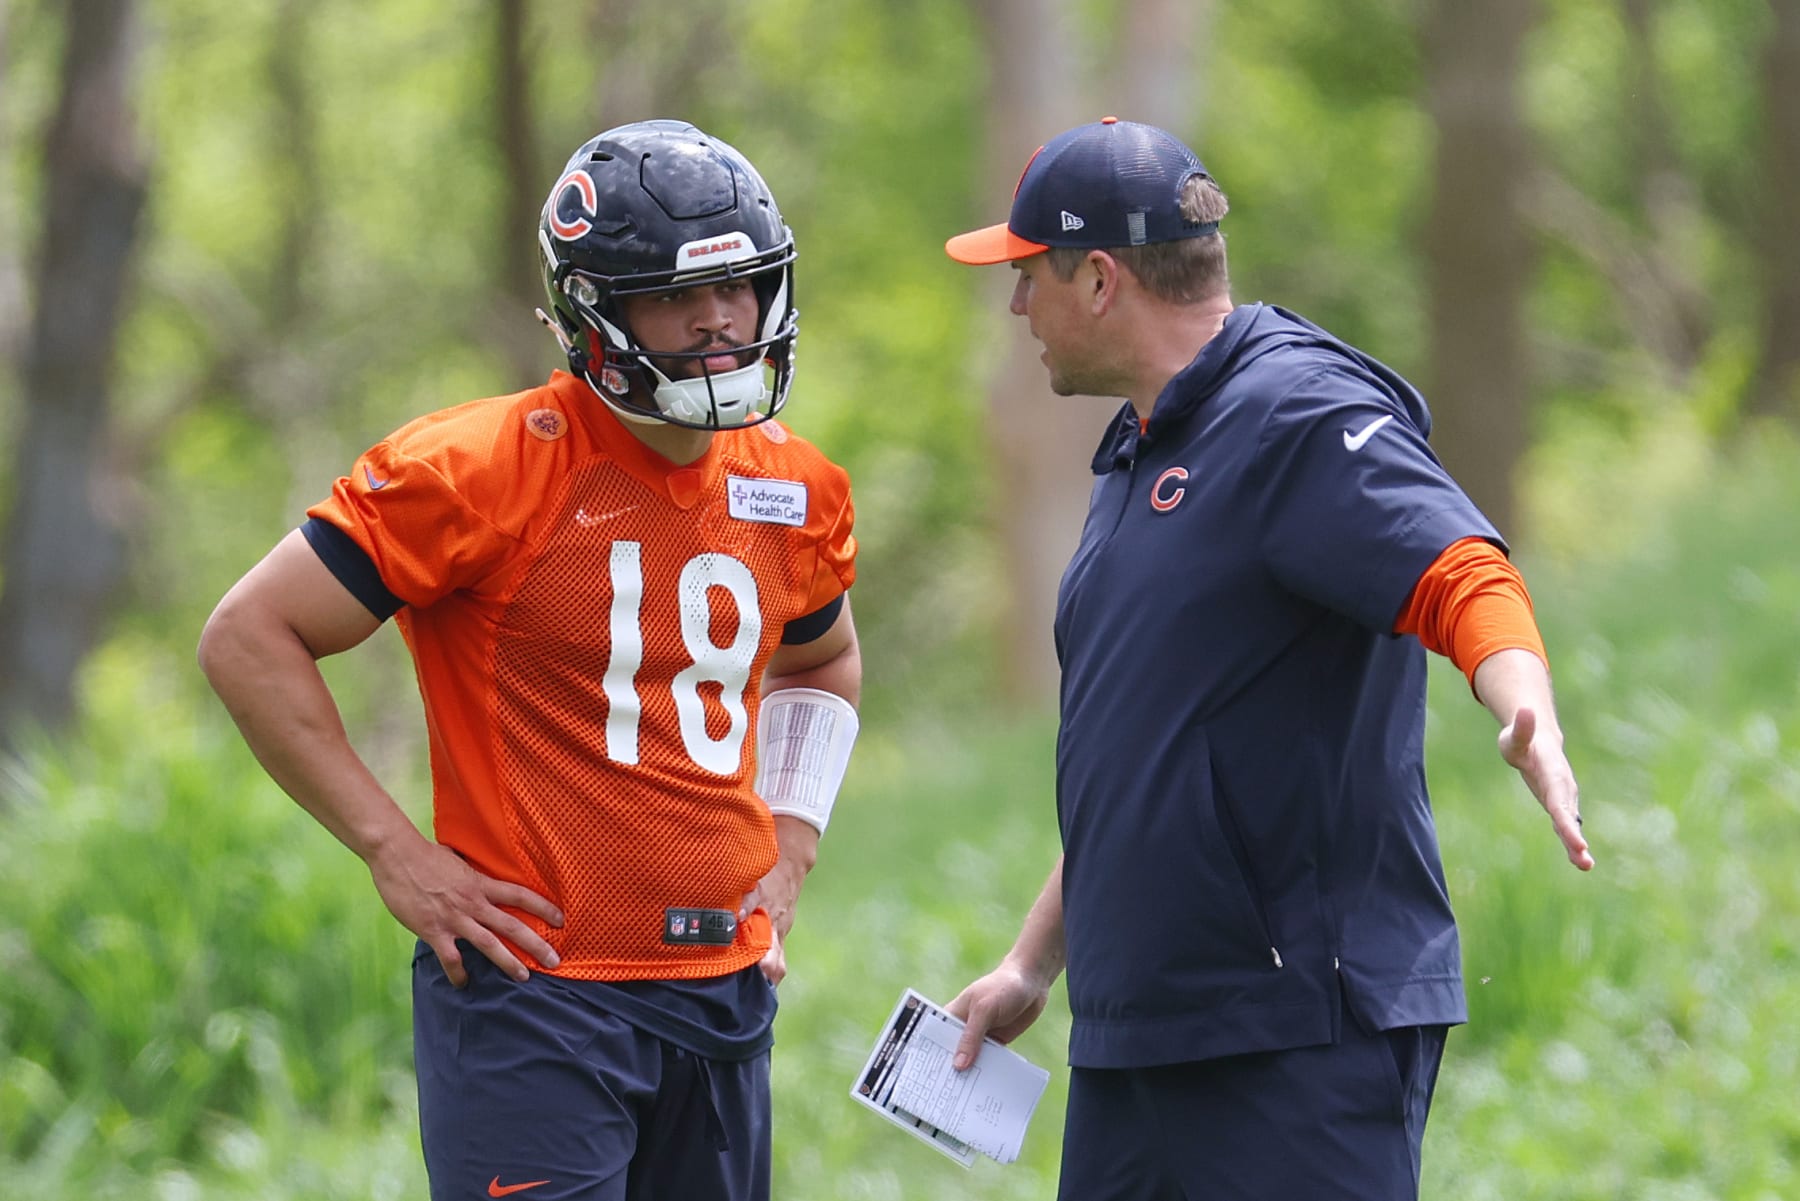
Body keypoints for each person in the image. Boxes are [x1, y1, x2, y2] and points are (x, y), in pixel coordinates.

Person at [198, 119, 861, 1201]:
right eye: (670, 297)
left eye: (740, 286)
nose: (718, 320)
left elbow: (824, 665)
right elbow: (246, 636)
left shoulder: (798, 486)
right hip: (540, 997)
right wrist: (393, 851)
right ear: (594, 313)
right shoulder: (477, 468)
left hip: (724, 989)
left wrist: (789, 840)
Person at [940, 117, 1592, 1201]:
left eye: (1026, 275)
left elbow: (1462, 570)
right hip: (1141, 1039)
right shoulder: (1143, 446)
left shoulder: (1298, 411)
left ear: (1099, 279)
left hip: (1292, 1039)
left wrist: (1525, 701)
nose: (1015, 308)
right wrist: (1032, 961)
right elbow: (1143, 752)